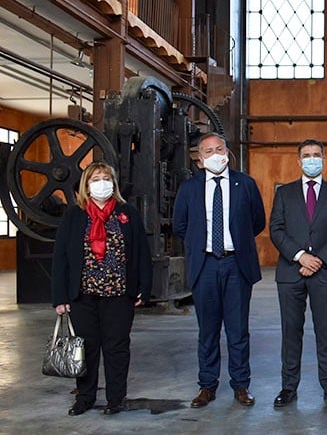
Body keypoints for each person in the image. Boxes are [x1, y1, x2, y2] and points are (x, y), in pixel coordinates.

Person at [51, 162, 152, 416]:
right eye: (96, 178)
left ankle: (115, 399)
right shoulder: (74, 215)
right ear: (87, 185)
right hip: (83, 295)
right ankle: (84, 398)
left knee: (116, 348)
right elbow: (61, 257)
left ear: (114, 183)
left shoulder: (126, 212)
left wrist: (144, 287)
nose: (102, 183)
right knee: (86, 349)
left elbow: (141, 252)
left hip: (119, 294)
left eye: (107, 178)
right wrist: (60, 297)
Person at [174, 133, 266, 408]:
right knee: (208, 331)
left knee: (238, 331)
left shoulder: (245, 184)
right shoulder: (189, 189)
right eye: (208, 151)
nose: (215, 154)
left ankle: (240, 385)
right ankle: (207, 386)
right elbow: (180, 226)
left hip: (236, 264)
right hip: (205, 265)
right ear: (200, 159)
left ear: (227, 152)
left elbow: (257, 221)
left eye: (219, 149)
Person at [269, 139, 327, 408]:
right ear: (298, 161)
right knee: (291, 331)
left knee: (325, 330)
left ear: (324, 160)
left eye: (317, 155)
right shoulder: (284, 193)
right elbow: (276, 230)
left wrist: (318, 259)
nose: (312, 159)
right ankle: (288, 387)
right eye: (307, 155)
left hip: (324, 273)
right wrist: (301, 256)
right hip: (290, 272)